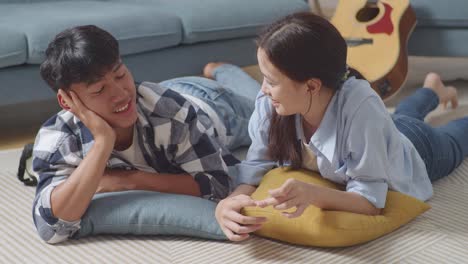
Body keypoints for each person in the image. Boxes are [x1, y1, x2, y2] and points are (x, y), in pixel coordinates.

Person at [214, 12, 467, 241]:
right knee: (403, 116)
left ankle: (432, 91)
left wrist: (313, 194)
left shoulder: (362, 110)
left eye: (270, 80)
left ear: (312, 86)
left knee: (451, 134)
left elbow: (371, 201)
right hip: (382, 131)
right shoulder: (273, 102)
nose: (263, 90)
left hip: (419, 146)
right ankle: (432, 89)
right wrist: (229, 201)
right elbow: (256, 164)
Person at [32, 25, 261, 244]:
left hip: (214, 104)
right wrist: (103, 142)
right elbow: (52, 226)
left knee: (263, 108)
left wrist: (129, 181)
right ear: (67, 101)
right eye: (99, 89)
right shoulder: (59, 138)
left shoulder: (172, 112)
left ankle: (224, 70)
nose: (121, 93)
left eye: (120, 74)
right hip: (163, 95)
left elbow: (218, 185)